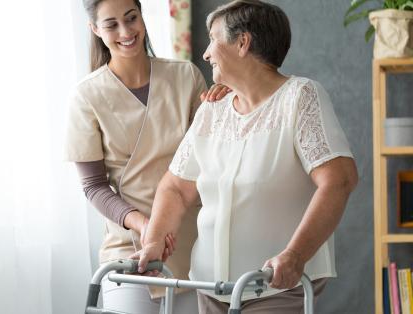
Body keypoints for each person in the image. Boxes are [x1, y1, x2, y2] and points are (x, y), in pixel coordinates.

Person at [135, 1, 359, 313]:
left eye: (214, 39)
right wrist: (154, 241)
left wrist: (295, 255)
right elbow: (175, 186)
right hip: (210, 286)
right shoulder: (213, 110)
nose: (206, 53)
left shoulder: (299, 97)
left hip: (276, 286)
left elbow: (340, 180)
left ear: (243, 43)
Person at [63, 0, 229, 313]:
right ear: (95, 29)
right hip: (128, 247)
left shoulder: (186, 76)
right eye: (111, 24)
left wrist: (223, 104)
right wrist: (145, 224)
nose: (126, 31)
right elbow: (94, 187)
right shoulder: (86, 96)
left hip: (190, 242)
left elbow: (212, 156)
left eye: (131, 18)